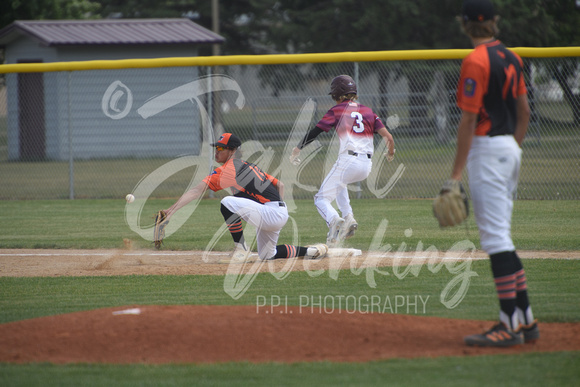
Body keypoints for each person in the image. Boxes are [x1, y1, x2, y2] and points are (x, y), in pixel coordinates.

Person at [449, 0, 538, 347]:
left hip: (487, 150)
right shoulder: (512, 57)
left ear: (465, 24)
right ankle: (526, 319)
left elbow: (469, 120)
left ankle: (508, 324)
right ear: (495, 22)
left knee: (496, 240)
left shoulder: (475, 60)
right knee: (504, 237)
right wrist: (513, 148)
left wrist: (454, 176)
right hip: (510, 149)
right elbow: (525, 112)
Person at [162, 132, 328, 263]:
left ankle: (241, 249)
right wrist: (278, 212)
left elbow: (196, 191)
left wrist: (170, 211)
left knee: (226, 202)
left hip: (269, 213)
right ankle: (312, 252)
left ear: (232, 151)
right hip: (275, 212)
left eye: (221, 148)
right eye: (216, 148)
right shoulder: (247, 165)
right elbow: (280, 185)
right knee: (268, 255)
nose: (216, 151)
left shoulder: (230, 168)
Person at [290, 75, 395, 246]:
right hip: (366, 166)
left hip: (348, 160)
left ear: (337, 94)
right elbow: (388, 137)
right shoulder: (368, 111)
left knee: (321, 199)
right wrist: (390, 153)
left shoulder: (337, 110)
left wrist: (297, 149)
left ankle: (334, 221)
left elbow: (315, 131)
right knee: (340, 183)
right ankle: (348, 218)